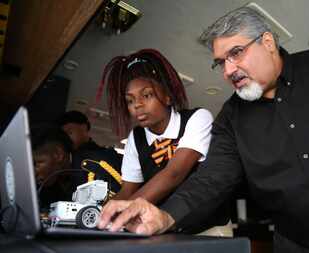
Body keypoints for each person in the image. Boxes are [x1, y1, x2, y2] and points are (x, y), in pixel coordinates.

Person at [98, 5, 309, 252]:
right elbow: (211, 180)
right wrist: (166, 217)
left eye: (236, 53)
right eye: (221, 62)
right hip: (300, 247)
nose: (228, 71)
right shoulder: (231, 117)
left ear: (267, 42)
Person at [97, 49, 232, 235]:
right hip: (165, 228)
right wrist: (103, 212)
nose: (137, 105)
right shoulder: (135, 139)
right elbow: (128, 189)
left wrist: (127, 209)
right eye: (130, 100)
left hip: (208, 227)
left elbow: (174, 173)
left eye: (147, 95)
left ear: (168, 96)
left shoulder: (197, 118)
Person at [57, 110, 123, 196]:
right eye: (63, 136)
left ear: (84, 128)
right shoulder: (67, 160)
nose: (66, 139)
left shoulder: (105, 155)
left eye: (70, 133)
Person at [31, 126, 77, 210]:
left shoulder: (96, 168)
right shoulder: (44, 188)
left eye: (36, 164)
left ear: (58, 154)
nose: (33, 173)